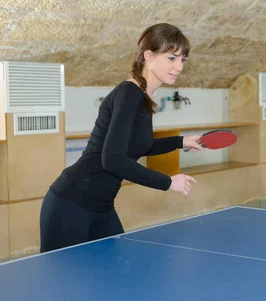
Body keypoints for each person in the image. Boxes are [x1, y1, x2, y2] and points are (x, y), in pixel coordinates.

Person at [39, 23, 206, 253]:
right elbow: (114, 160)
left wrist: (180, 142)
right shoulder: (130, 93)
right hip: (71, 203)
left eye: (182, 60)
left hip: (101, 206)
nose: (178, 67)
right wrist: (168, 182)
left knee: (117, 275)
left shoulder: (144, 97)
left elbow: (140, 146)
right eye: (171, 58)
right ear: (149, 55)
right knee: (62, 283)